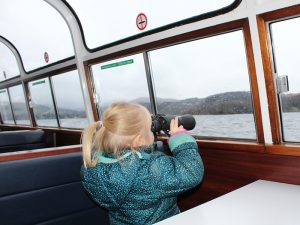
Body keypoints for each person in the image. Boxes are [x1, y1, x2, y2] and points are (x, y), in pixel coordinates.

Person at [81, 102, 204, 225]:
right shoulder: (150, 169)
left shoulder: (94, 165)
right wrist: (180, 140)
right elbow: (192, 172)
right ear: (138, 140)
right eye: (150, 130)